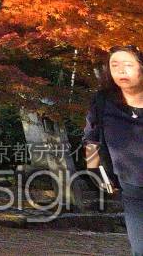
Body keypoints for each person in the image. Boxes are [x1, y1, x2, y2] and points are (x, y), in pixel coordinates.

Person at [83, 45, 143, 256]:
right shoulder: (103, 101)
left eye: (128, 65)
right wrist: (94, 171)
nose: (121, 70)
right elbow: (91, 138)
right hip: (132, 187)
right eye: (114, 65)